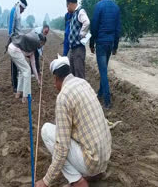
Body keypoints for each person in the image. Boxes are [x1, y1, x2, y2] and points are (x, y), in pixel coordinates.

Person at [36, 55, 112, 187]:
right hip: (104, 157)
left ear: (56, 79)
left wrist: (46, 181)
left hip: (92, 162)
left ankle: (78, 181)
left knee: (47, 131)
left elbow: (62, 147)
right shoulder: (83, 83)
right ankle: (94, 173)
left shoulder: (63, 97)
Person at [90, 0, 121, 109]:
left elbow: (94, 27)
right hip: (110, 43)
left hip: (101, 44)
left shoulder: (99, 6)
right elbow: (118, 29)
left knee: (103, 72)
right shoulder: (116, 7)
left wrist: (92, 43)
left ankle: (107, 102)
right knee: (104, 69)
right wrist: (115, 47)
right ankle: (101, 93)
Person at [7, 31, 46, 103]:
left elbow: (33, 66)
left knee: (22, 71)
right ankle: (26, 97)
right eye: (42, 44)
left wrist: (38, 79)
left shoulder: (31, 51)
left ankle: (18, 93)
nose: (41, 46)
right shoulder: (33, 44)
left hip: (11, 48)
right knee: (27, 70)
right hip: (14, 49)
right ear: (40, 42)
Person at [66, 0, 90, 79]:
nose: (67, 9)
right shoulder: (74, 14)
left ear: (70, 4)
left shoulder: (80, 11)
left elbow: (87, 22)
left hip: (78, 49)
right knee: (71, 74)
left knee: (79, 75)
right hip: (73, 49)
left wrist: (82, 34)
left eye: (67, 6)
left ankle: (82, 92)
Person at [8, 0, 28, 93]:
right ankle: (15, 85)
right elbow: (11, 29)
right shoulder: (13, 11)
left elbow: (19, 28)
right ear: (20, 6)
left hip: (19, 40)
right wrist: (12, 40)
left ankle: (19, 85)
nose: (23, 11)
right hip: (14, 41)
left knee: (19, 63)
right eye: (23, 9)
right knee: (14, 64)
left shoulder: (18, 13)